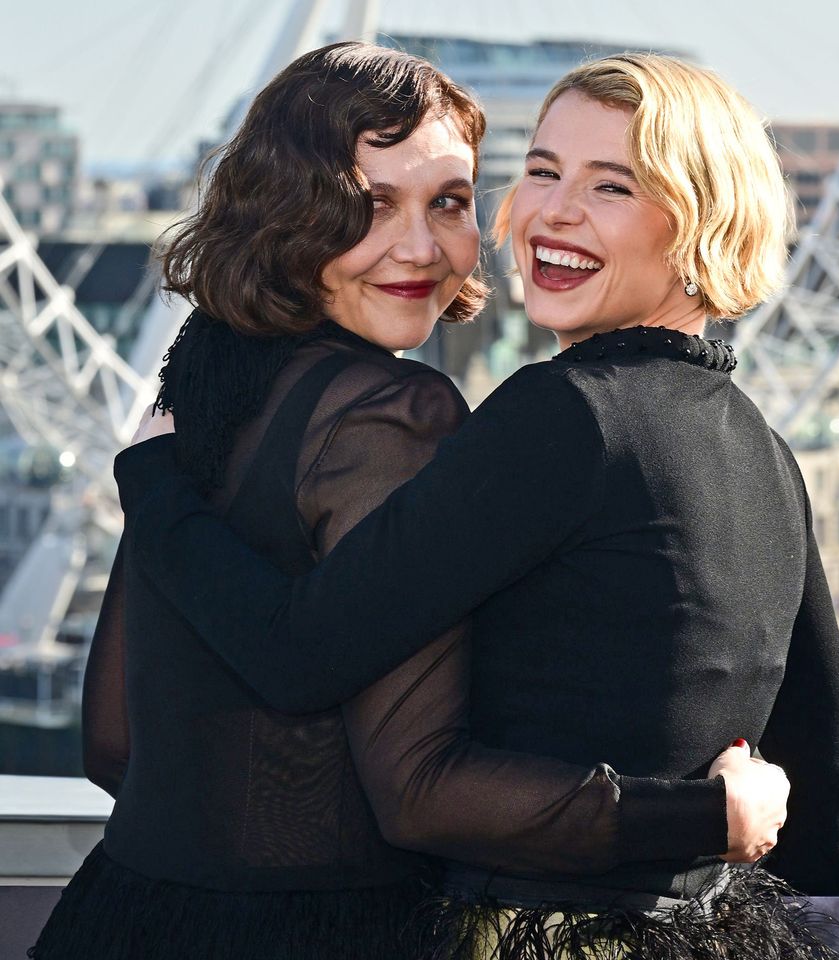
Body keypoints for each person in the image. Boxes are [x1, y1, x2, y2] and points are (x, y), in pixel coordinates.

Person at [30, 44, 789, 960]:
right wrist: (702, 814)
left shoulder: (199, 386)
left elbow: (111, 743)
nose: (422, 247)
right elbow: (419, 787)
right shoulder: (397, 412)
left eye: (451, 203)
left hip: (120, 911)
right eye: (369, 205)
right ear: (290, 216)